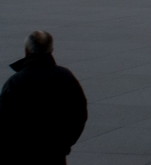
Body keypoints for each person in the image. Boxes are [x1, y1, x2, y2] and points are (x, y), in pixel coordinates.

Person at [0, 31, 88, 164]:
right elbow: (79, 114)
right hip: (54, 152)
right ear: (51, 49)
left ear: (27, 50)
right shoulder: (65, 77)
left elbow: (5, 120)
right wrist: (64, 143)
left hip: (23, 152)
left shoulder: (16, 82)